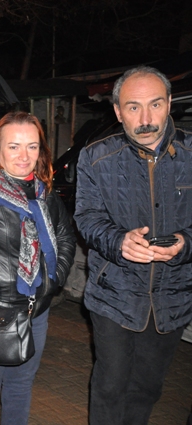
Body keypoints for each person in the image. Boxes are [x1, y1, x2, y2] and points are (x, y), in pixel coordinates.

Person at [74, 66, 192, 425]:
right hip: (115, 293)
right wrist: (119, 241)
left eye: (155, 104)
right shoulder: (95, 157)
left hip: (173, 295)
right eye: (133, 107)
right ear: (117, 111)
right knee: (110, 386)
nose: (146, 119)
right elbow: (87, 218)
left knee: (147, 388)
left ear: (169, 103)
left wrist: (186, 243)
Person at [0, 111, 76, 425]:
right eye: (13, 146)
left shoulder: (44, 192)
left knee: (21, 384)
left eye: (32, 146)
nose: (24, 156)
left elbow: (65, 234)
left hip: (36, 309)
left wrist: (54, 278)